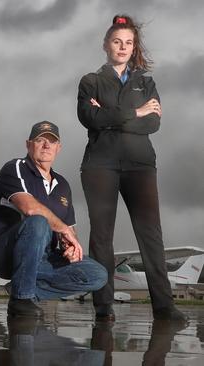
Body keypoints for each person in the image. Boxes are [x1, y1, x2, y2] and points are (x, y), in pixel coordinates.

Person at [77, 14, 187, 322]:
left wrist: (113, 116)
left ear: (133, 46)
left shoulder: (145, 82)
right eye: (116, 41)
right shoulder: (91, 81)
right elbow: (89, 118)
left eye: (128, 42)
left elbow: (153, 123)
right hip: (100, 165)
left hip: (140, 165)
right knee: (102, 236)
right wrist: (135, 112)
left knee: (150, 233)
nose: (122, 47)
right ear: (106, 45)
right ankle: (103, 306)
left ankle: (164, 306)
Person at [0, 121, 107, 318]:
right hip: (2, 254)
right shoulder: (15, 167)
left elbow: (69, 230)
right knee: (38, 222)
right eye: (40, 140)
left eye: (52, 141)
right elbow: (30, 208)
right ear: (28, 144)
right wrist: (64, 229)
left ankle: (23, 289)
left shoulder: (63, 185)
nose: (46, 146)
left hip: (42, 258)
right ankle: (22, 300)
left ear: (59, 148)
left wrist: (71, 247)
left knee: (98, 275)